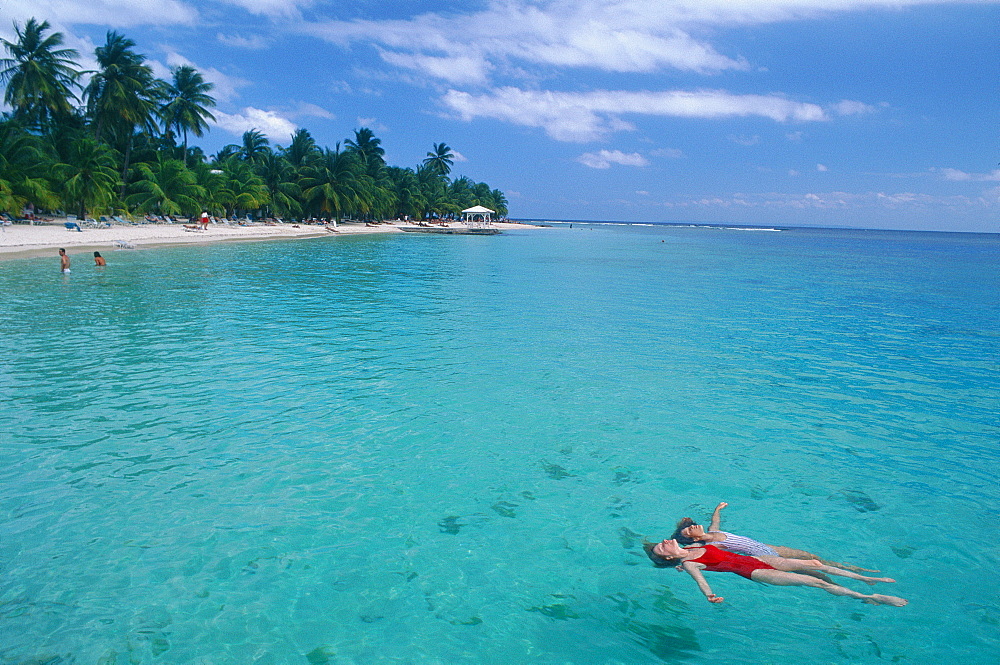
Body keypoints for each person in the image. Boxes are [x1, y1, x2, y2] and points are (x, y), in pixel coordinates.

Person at [645, 538, 906, 607]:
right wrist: (710, 596)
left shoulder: (693, 545)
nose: (666, 541)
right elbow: (701, 581)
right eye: (662, 546)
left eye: (664, 541)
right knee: (815, 583)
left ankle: (866, 578)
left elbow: (713, 534)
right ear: (667, 556)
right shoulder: (690, 564)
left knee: (818, 566)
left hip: (761, 558)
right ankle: (868, 597)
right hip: (756, 572)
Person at [672, 502, 877, 572]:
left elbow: (715, 521)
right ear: (694, 540)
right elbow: (700, 557)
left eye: (689, 527)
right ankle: (855, 587)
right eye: (688, 531)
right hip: (769, 557)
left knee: (811, 555)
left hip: (768, 546)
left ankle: (850, 568)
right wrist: (681, 563)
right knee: (815, 570)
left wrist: (717, 508)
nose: (691, 527)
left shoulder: (713, 532)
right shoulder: (713, 544)